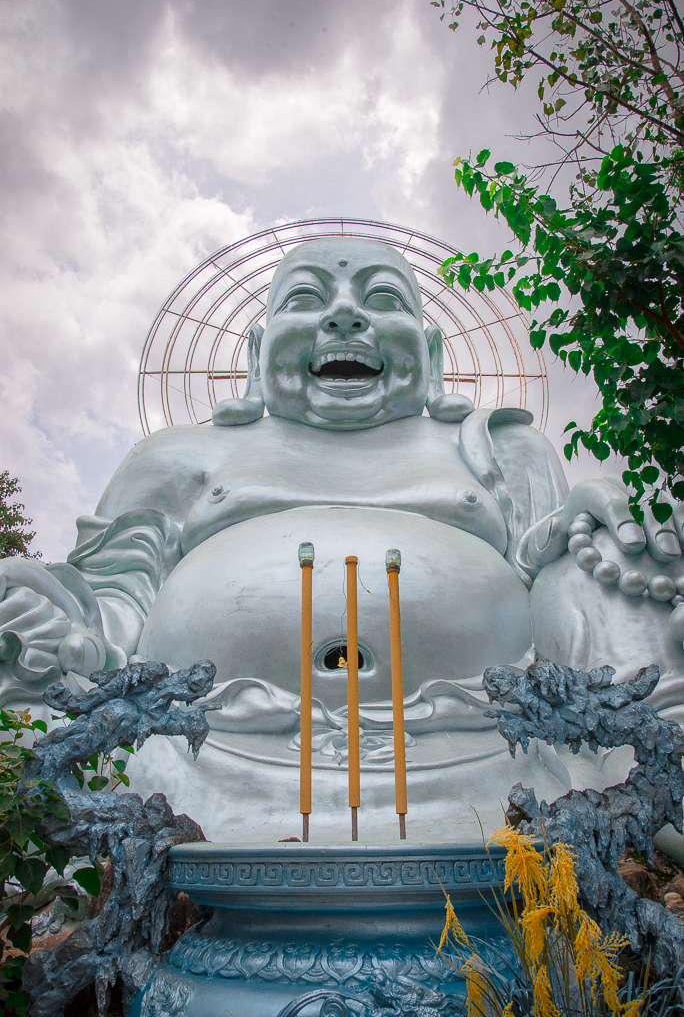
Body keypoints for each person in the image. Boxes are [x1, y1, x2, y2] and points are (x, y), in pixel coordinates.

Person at [2, 237, 683, 842]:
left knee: (612, 552)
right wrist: (48, 614)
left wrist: (591, 530)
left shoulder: (499, 450)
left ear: (434, 351)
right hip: (202, 747)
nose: (346, 314)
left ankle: (658, 775)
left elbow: (546, 577)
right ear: (256, 351)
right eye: (307, 298)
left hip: (485, 740)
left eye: (383, 298)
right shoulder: (181, 456)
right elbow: (112, 599)